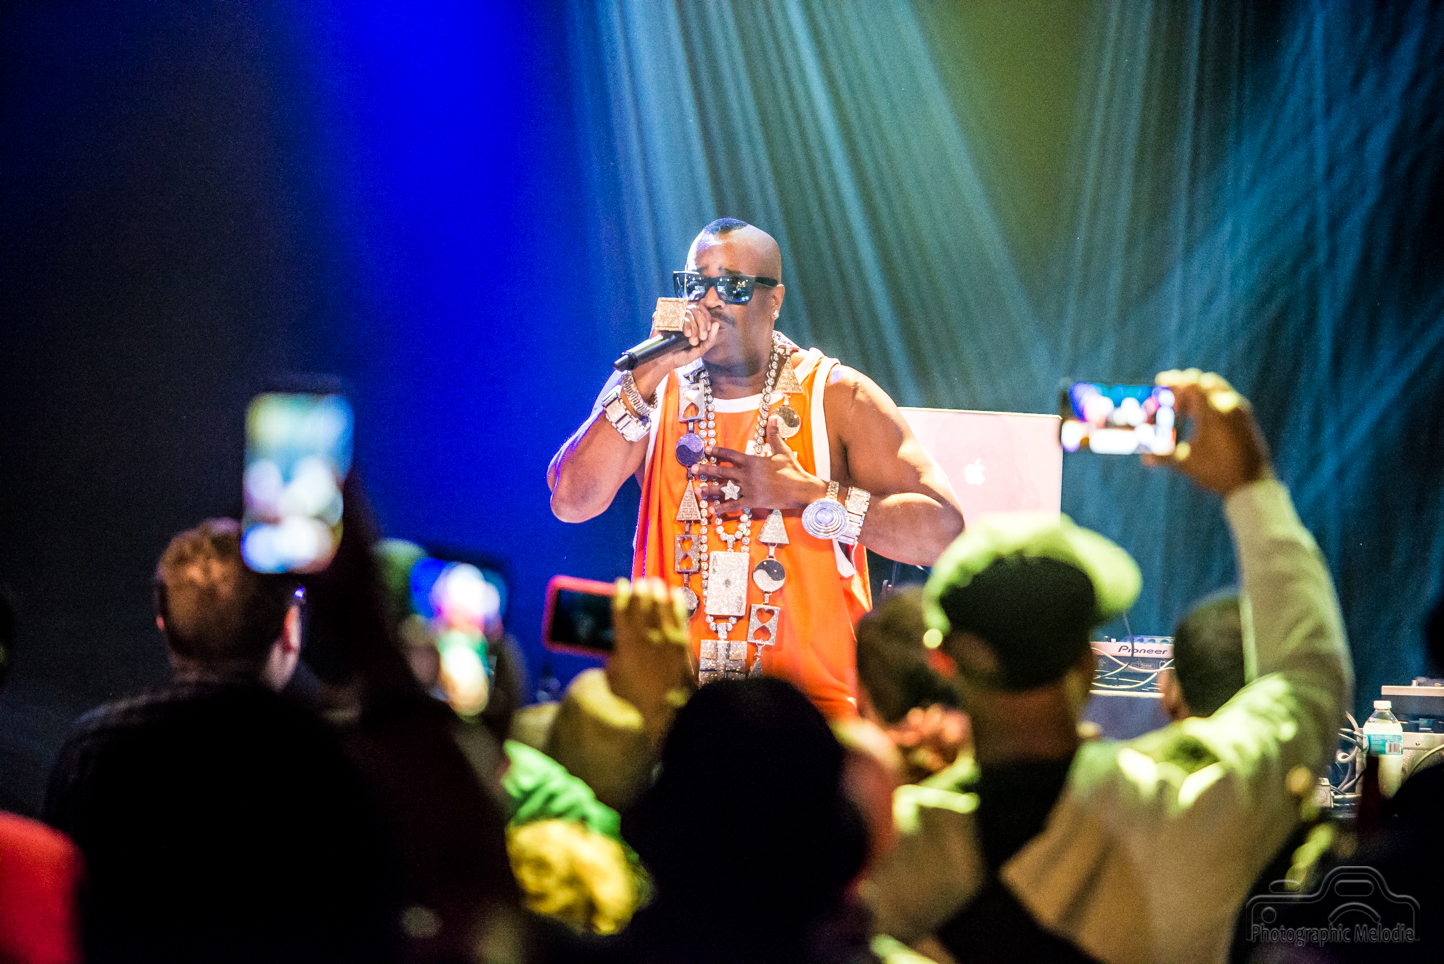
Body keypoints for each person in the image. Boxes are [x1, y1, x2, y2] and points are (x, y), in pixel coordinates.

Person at [862, 369, 1352, 963]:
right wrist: (1251, 486)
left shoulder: (883, 855)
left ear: (944, 660)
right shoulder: (1188, 805)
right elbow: (1307, 679)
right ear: (1088, 663)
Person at [548, 217, 964, 717]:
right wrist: (651, 369)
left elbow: (942, 532)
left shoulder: (835, 395)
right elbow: (571, 502)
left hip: (809, 723)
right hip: (673, 718)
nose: (710, 301)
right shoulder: (651, 388)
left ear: (774, 300)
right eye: (695, 284)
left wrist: (810, 495)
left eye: (732, 287)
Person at [44, 519, 401, 964]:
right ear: (290, 628)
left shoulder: (92, 750)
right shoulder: (333, 761)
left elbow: (61, 916)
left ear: (164, 624)